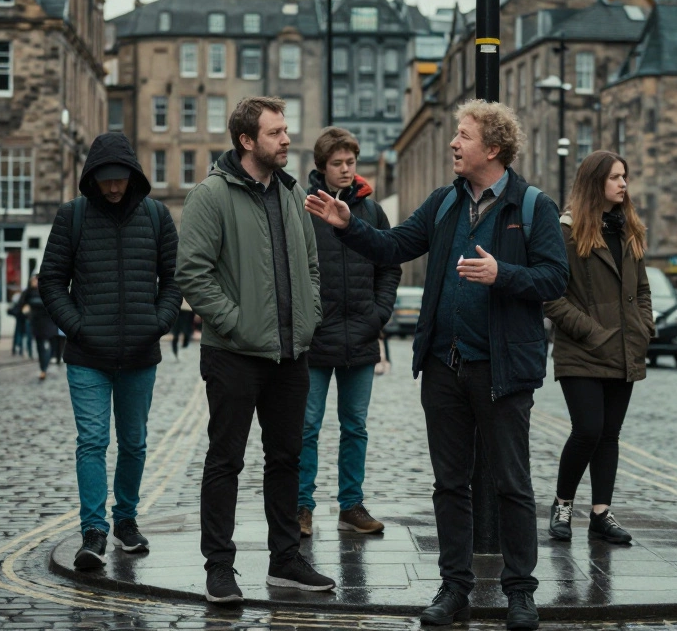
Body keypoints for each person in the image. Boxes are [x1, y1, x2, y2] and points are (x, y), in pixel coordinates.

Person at [305, 100, 568, 631]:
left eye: (463, 136)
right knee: (449, 484)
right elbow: (394, 245)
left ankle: (520, 591)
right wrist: (346, 225)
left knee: (512, 483)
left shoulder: (533, 206)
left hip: (503, 370)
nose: (453, 143)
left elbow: (555, 279)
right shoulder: (444, 202)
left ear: (492, 149)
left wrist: (504, 275)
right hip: (444, 366)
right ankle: (454, 588)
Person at [177, 97, 335, 604]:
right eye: (275, 133)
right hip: (234, 354)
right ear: (246, 141)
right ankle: (219, 567)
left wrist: (308, 318)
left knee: (286, 458)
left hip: (291, 353)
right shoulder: (211, 195)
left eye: (287, 130)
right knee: (226, 460)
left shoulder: (290, 193)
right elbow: (192, 274)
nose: (287, 140)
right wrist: (236, 323)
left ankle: (285, 562)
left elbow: (311, 265)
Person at [39, 132, 181, 570]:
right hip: (87, 357)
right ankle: (94, 531)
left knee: (134, 443)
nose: (114, 188)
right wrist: (79, 327)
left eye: (121, 179)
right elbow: (50, 281)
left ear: (133, 176)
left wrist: (157, 323)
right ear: (93, 178)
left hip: (140, 354)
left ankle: (126, 521)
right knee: (92, 442)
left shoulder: (157, 216)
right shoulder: (72, 216)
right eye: (106, 180)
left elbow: (175, 280)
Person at [542, 151, 653, 546]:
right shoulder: (567, 231)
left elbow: (641, 289)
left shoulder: (630, 230)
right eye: (615, 178)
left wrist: (643, 328)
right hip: (582, 350)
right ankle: (562, 504)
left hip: (624, 348)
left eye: (625, 176)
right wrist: (590, 331)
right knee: (587, 429)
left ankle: (601, 514)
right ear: (595, 184)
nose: (623, 184)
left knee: (610, 434)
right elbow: (550, 295)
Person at [298, 127, 401, 538]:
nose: (345, 170)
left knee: (355, 426)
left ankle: (351, 506)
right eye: (337, 164)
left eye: (351, 163)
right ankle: (301, 507)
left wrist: (379, 314)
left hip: (361, 334)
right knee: (306, 426)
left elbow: (390, 263)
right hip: (315, 338)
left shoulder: (372, 213)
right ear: (322, 167)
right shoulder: (304, 208)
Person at [13, 275, 57, 380]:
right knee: (40, 346)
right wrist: (20, 312)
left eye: (36, 279)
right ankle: (43, 369)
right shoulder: (28, 292)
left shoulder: (46, 291)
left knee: (50, 345)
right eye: (33, 279)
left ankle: (45, 366)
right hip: (36, 322)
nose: (35, 281)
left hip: (48, 322)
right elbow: (19, 306)